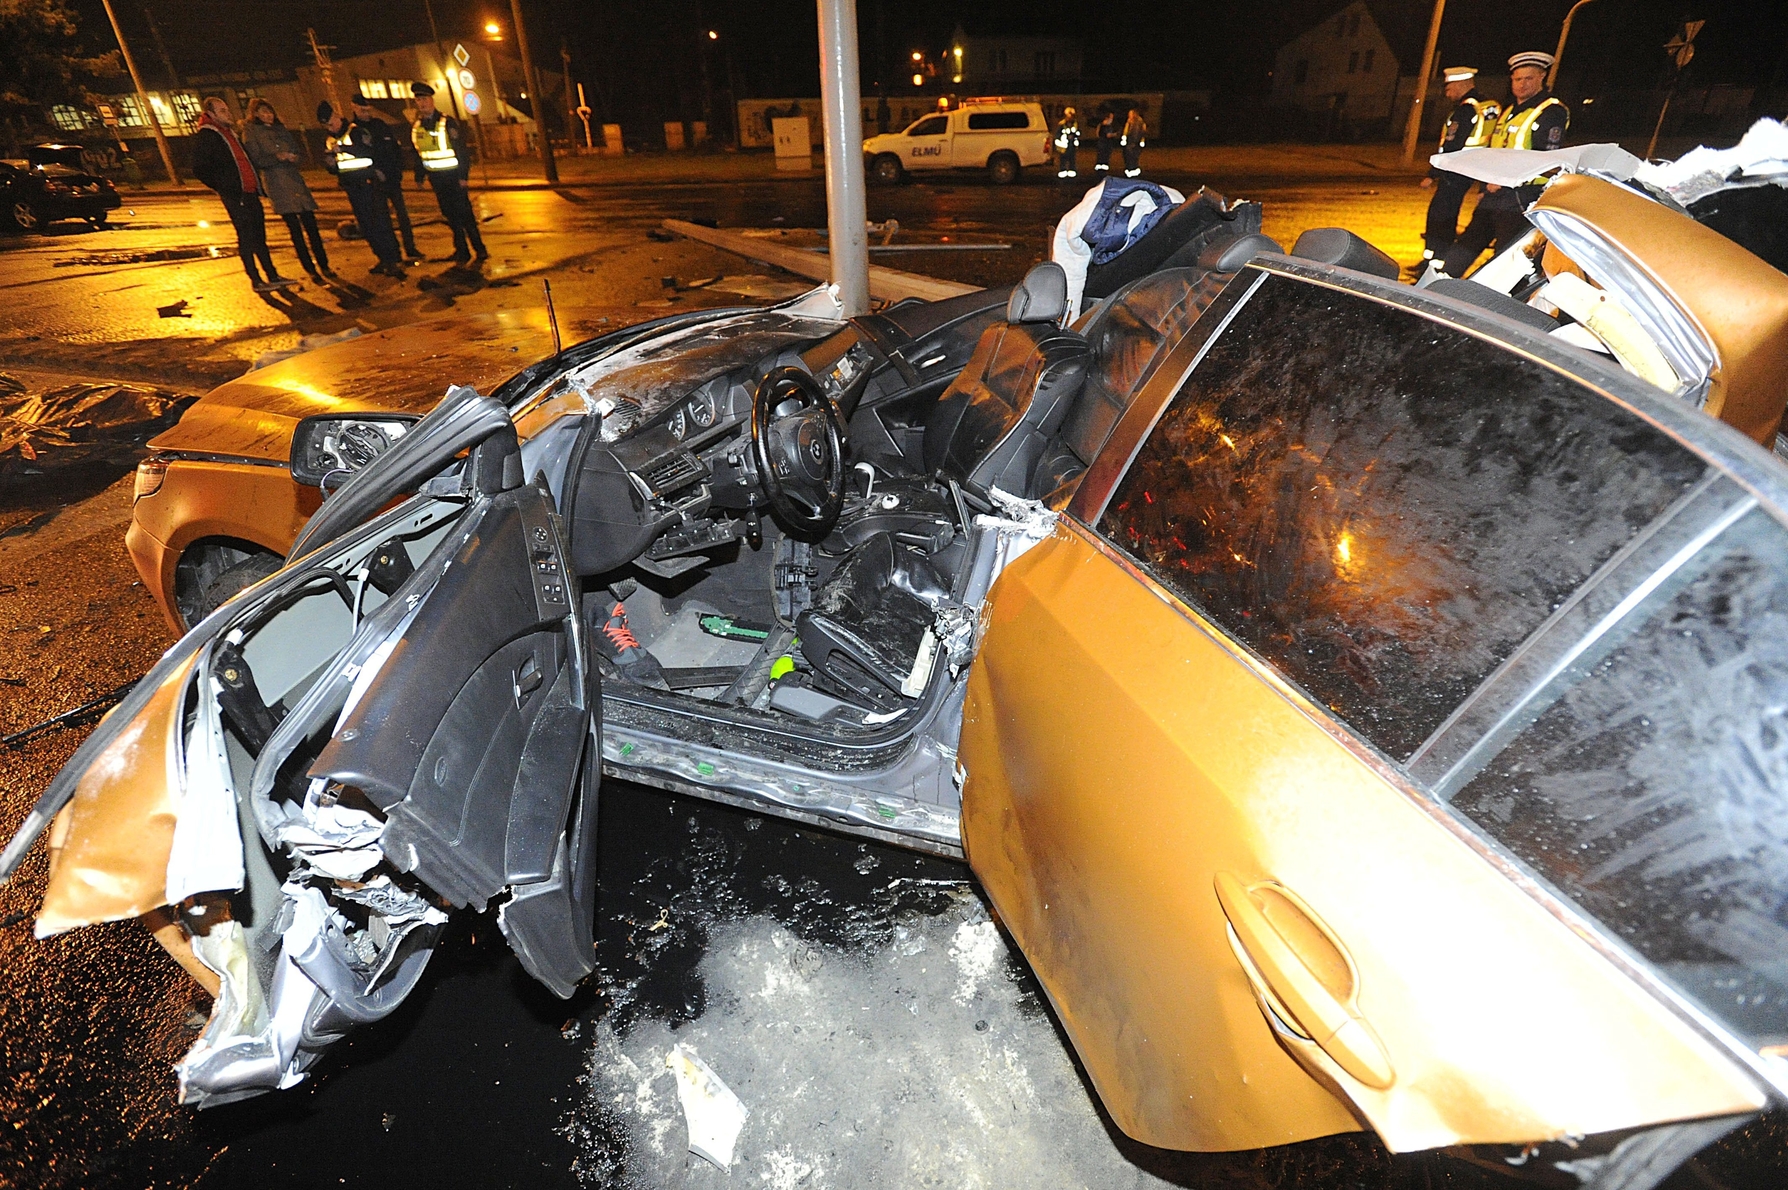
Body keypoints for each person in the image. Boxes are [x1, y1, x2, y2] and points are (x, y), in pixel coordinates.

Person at [1441, 51, 1570, 277]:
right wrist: (1484, 187)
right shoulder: (1509, 110)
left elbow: (1545, 158)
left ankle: (1497, 296)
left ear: (1542, 77)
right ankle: (1440, 285)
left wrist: (1504, 181)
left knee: (1507, 258)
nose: (1522, 84)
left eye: (1528, 78)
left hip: (1522, 197)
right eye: (1517, 79)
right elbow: (1495, 151)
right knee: (1466, 246)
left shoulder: (1551, 111)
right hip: (1495, 194)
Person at [191, 95, 293, 293]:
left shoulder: (229, 133)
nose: (228, 113)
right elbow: (200, 168)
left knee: (259, 237)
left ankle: (272, 275)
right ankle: (256, 279)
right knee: (246, 237)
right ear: (210, 114)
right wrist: (224, 187)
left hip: (249, 192)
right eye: (222, 111)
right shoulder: (207, 136)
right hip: (236, 196)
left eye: (227, 109)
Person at [242, 99, 331, 282]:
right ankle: (310, 268)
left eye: (270, 112)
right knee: (295, 229)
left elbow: (298, 152)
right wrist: (277, 157)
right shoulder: (251, 132)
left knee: (311, 225)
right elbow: (256, 159)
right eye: (263, 112)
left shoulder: (280, 129)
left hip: (294, 180)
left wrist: (294, 157)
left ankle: (324, 264)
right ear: (256, 114)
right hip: (277, 184)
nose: (268, 115)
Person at [1419, 67, 1500, 267]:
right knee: (1452, 210)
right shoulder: (1488, 105)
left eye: (1448, 88)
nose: (1447, 93)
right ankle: (1439, 254)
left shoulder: (1465, 109)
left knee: (1441, 212)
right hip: (1479, 165)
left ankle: (1436, 257)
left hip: (1456, 168)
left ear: (1460, 84)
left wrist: (1433, 173)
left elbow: (1452, 144)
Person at [319, 101, 406, 277]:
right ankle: (382, 258)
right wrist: (330, 164)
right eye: (326, 125)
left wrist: (344, 148)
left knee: (380, 223)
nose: (331, 127)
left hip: (369, 183)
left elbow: (368, 151)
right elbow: (337, 168)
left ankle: (393, 259)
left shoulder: (356, 131)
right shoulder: (330, 139)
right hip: (352, 187)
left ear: (337, 116)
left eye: (331, 122)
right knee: (366, 226)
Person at [409, 81, 486, 264]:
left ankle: (480, 250)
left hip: (453, 178)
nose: (422, 103)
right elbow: (419, 153)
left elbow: (461, 151)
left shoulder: (446, 122)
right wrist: (419, 177)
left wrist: (463, 176)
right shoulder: (417, 126)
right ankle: (462, 251)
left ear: (432, 100)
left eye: (425, 99)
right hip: (437, 179)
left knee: (465, 215)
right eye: (418, 100)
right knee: (450, 216)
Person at [349, 92, 424, 262]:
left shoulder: (380, 125)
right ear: (354, 108)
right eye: (362, 110)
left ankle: (410, 248)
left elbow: (394, 148)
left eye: (368, 109)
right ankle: (394, 253)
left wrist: (398, 170)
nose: (366, 113)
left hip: (392, 178)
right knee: (384, 221)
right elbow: (361, 156)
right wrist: (374, 172)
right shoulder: (354, 130)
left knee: (403, 217)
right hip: (374, 183)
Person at [1121, 105, 1148, 177]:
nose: (1129, 115)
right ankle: (1132, 170)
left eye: (1130, 114)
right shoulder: (1138, 121)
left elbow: (1142, 132)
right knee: (1133, 156)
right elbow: (1143, 132)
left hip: (1133, 142)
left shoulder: (1135, 121)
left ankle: (1131, 170)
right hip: (1134, 142)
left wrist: (1124, 138)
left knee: (1131, 156)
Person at [1054, 106, 1080, 179]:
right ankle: (1063, 172)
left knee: (1072, 159)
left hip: (1072, 145)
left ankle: (1072, 173)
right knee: (1063, 160)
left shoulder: (1075, 124)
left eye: (1072, 115)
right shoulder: (1061, 124)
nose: (1070, 116)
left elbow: (1078, 133)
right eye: (1069, 114)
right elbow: (1057, 135)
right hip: (1064, 146)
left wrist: (1075, 137)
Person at [1092, 106, 1116, 173]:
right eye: (1111, 117)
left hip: (1104, 143)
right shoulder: (1105, 126)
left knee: (1103, 156)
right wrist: (1114, 134)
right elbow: (1107, 135)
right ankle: (1101, 169)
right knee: (1103, 156)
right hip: (1104, 143)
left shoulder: (1102, 125)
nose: (1112, 119)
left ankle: (1101, 168)